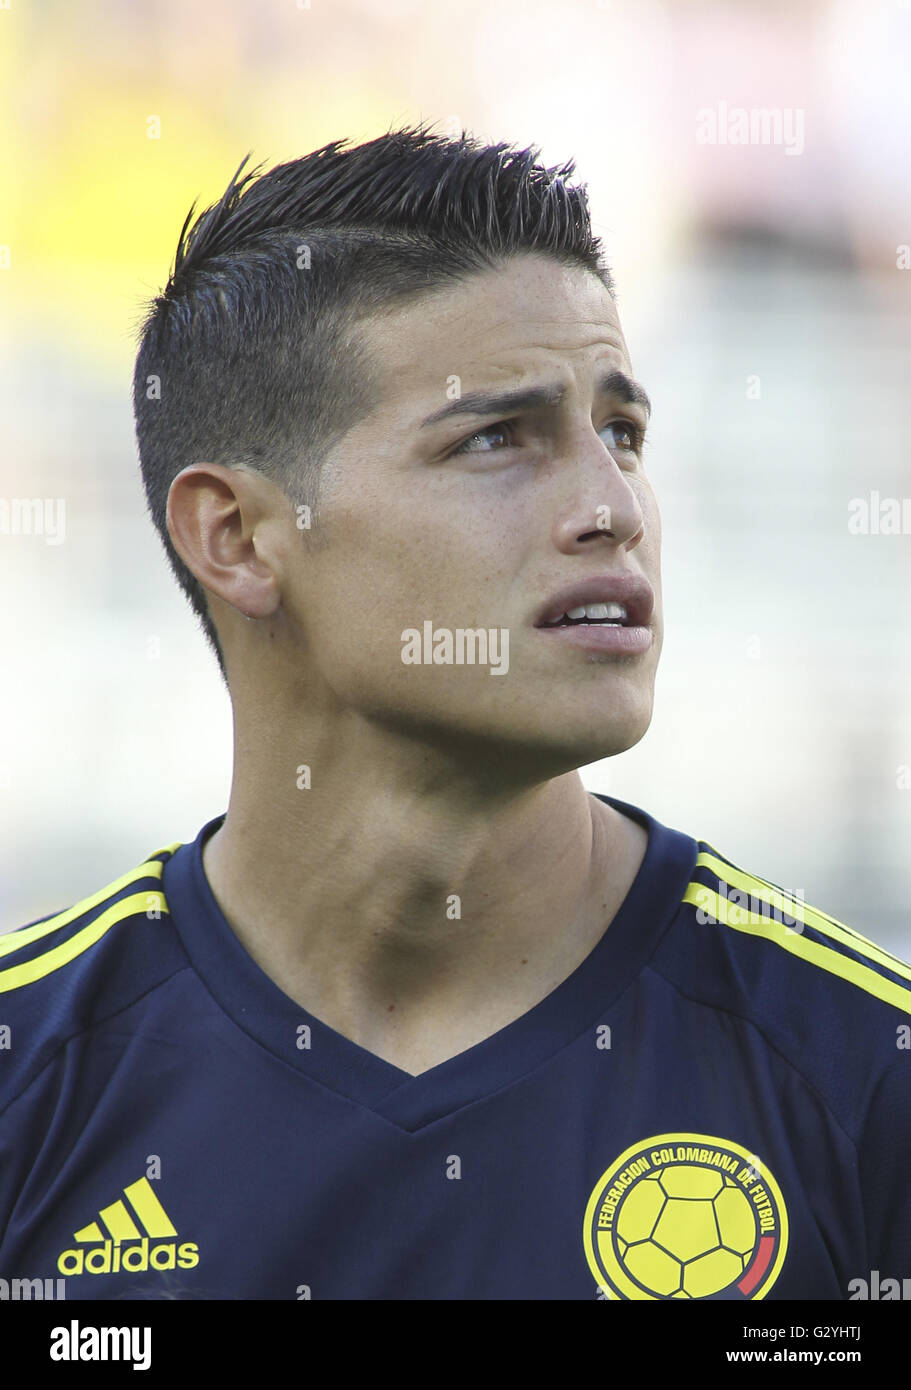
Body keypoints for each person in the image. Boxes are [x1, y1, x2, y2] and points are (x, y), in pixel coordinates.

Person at [1, 126, 908, 1302]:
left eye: (621, 433)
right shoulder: (34, 1084)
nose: (610, 507)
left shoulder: (856, 1075)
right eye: (495, 438)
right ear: (236, 536)